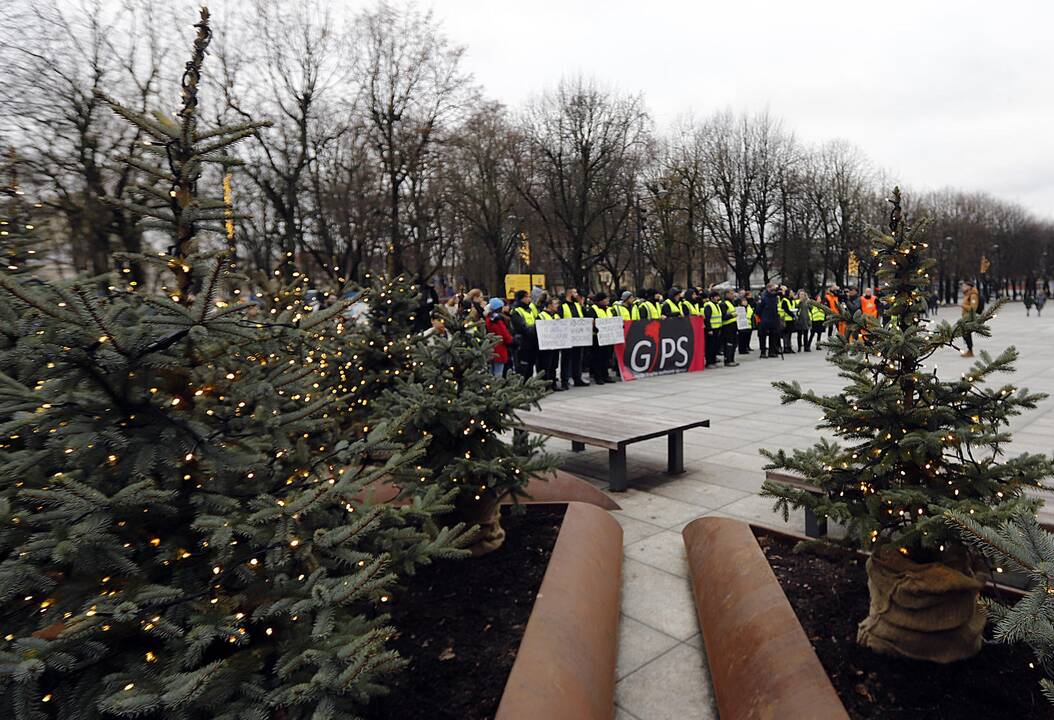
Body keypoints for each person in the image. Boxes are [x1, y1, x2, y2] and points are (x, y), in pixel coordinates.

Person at [559, 287, 589, 389]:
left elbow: (585, 316)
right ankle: (564, 381)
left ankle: (577, 378)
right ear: (569, 293)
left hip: (578, 336)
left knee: (578, 358)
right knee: (566, 359)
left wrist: (582, 305)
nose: (576, 294)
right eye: (574, 292)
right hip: (567, 336)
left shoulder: (577, 305)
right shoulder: (562, 306)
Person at [536, 294, 563, 391]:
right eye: (555, 304)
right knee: (545, 366)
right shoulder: (541, 316)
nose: (557, 306)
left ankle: (553, 384)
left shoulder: (556, 315)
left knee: (554, 365)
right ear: (549, 305)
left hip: (555, 345)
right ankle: (544, 385)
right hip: (545, 347)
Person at [509, 290, 539, 379]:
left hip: (532, 341)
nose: (529, 298)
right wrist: (535, 328)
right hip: (523, 342)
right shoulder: (516, 311)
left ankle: (528, 384)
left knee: (531, 364)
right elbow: (521, 327)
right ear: (521, 298)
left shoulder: (530, 309)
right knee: (522, 366)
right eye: (527, 297)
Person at [588, 293, 615, 384]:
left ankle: (605, 375)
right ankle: (598, 377)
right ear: (600, 300)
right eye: (605, 299)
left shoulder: (609, 309)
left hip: (607, 337)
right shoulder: (593, 309)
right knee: (597, 358)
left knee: (606, 357)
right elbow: (591, 321)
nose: (607, 301)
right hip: (597, 337)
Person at [484, 297, 513, 377]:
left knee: (491, 372)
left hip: (489, 348)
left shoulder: (488, 318)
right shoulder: (498, 320)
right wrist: (511, 341)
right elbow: (504, 333)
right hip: (499, 349)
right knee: (498, 373)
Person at [757, 284, 781, 358]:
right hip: (765, 319)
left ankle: (772, 351)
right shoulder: (764, 298)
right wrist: (762, 317)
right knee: (762, 336)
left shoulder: (775, 298)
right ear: (768, 288)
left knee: (773, 336)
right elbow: (758, 310)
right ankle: (763, 352)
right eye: (772, 288)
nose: (774, 290)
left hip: (773, 319)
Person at [702, 291, 723, 367]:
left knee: (715, 346)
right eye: (716, 297)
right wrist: (709, 329)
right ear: (712, 298)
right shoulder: (709, 305)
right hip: (711, 329)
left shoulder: (716, 305)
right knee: (710, 346)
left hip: (717, 328)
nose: (718, 298)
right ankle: (709, 362)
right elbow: (707, 318)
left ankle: (713, 361)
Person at [960, 280, 979, 357]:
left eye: (964, 286)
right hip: (965, 318)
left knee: (967, 334)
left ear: (969, 287)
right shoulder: (967, 295)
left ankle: (970, 351)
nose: (962, 287)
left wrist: (963, 306)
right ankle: (969, 350)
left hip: (970, 318)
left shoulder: (973, 295)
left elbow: (973, 308)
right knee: (966, 334)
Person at [721, 289, 739, 367]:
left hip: (733, 325)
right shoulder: (724, 304)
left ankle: (732, 359)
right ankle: (728, 360)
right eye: (731, 294)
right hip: (727, 326)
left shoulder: (731, 303)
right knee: (729, 344)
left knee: (734, 343)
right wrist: (732, 315)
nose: (733, 295)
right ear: (726, 294)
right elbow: (723, 316)